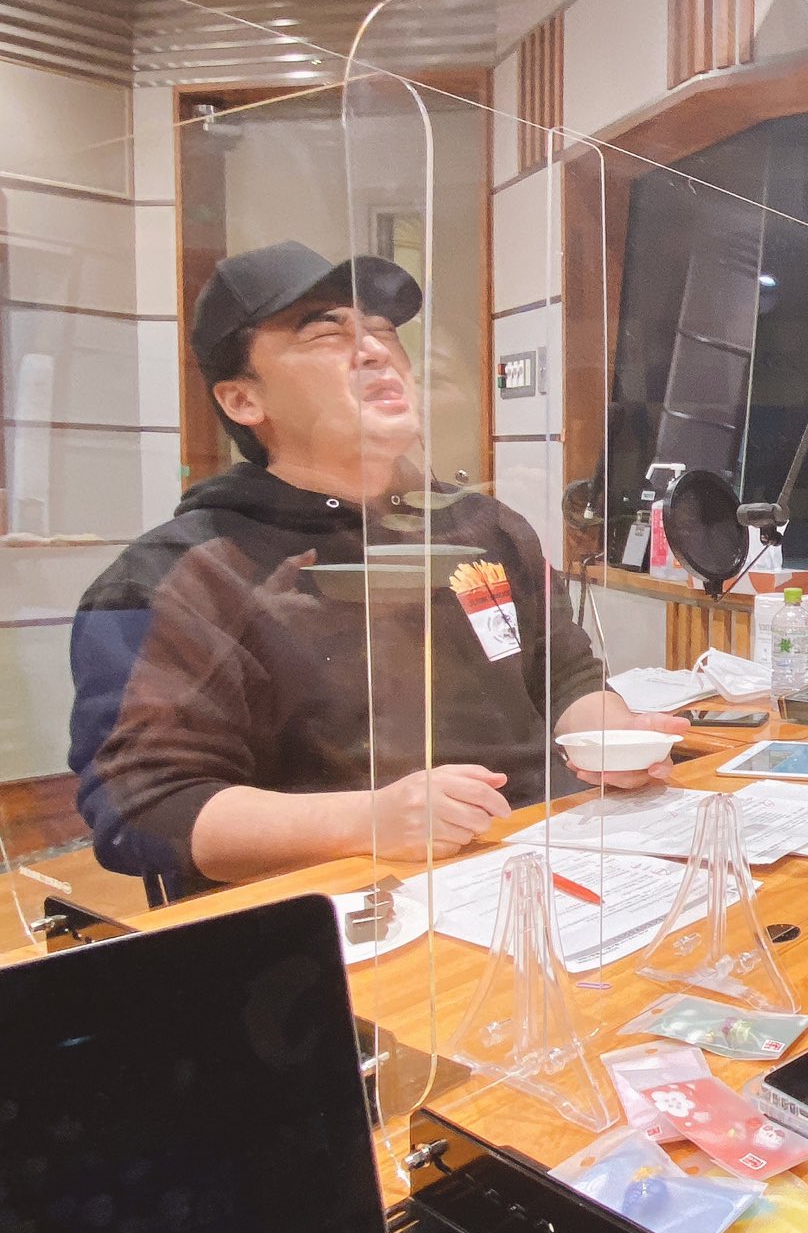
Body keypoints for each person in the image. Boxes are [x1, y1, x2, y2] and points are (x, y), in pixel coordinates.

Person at [69, 241, 687, 905]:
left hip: (543, 868)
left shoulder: (485, 528)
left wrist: (609, 738)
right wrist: (369, 820)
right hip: (347, 915)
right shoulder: (180, 575)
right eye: (325, 334)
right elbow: (142, 807)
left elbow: (563, 675)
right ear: (243, 399)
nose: (373, 351)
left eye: (385, 331)